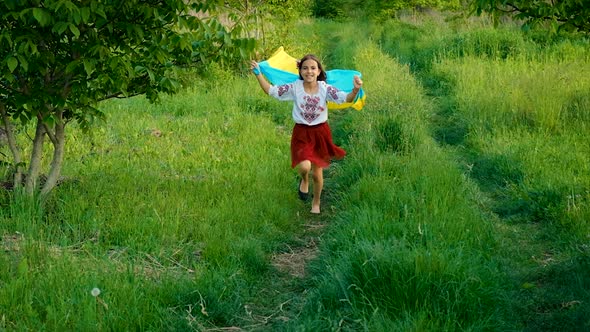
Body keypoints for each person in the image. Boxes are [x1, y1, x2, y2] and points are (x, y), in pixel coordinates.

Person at [250, 54, 363, 214]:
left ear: (318, 72)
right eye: (305, 68)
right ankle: (304, 179)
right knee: (304, 166)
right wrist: (258, 74)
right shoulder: (295, 87)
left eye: (312, 68)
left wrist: (356, 89)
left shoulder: (325, 88)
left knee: (317, 173)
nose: (309, 71)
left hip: (320, 133)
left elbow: (346, 98)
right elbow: (271, 91)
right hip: (301, 133)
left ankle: (316, 202)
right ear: (300, 71)